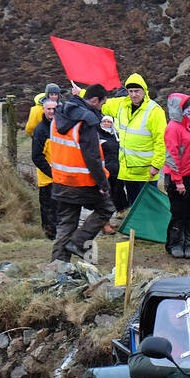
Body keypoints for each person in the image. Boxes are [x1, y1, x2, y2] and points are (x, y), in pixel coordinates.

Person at [50, 84, 116, 263]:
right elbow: (92, 157)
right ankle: (79, 242)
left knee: (66, 223)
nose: (101, 109)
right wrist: (103, 184)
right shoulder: (86, 121)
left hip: (60, 180)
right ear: (95, 100)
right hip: (82, 182)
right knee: (106, 208)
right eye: (102, 104)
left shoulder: (59, 114)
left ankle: (58, 267)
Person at [101, 73, 167, 209]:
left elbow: (161, 140)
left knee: (148, 207)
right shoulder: (121, 105)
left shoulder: (154, 111)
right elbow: (102, 104)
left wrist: (156, 165)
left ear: (144, 91)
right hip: (128, 171)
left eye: (137, 91)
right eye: (130, 91)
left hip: (146, 172)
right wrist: (82, 93)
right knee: (133, 208)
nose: (133, 94)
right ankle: (134, 230)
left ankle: (149, 230)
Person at [163, 92, 190, 259]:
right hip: (177, 178)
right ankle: (175, 244)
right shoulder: (173, 128)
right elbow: (172, 156)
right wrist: (178, 181)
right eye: (185, 107)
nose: (189, 109)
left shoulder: (189, 126)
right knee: (178, 213)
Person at [26, 84, 63, 238]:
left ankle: (61, 233)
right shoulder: (40, 130)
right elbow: (36, 156)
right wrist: (51, 172)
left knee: (62, 206)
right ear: (44, 110)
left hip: (63, 175)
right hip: (47, 177)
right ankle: (49, 234)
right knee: (48, 207)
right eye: (48, 109)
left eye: (54, 109)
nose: (51, 112)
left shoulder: (63, 126)